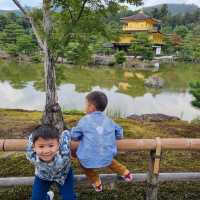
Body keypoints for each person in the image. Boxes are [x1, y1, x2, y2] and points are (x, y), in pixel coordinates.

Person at [71, 91, 133, 192]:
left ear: (91, 107)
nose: (85, 106)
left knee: (82, 162)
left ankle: (96, 181)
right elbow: (119, 133)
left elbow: (74, 136)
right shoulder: (109, 120)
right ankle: (125, 172)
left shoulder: (84, 120)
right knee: (107, 156)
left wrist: (72, 131)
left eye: (85, 104)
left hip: (88, 159)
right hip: (106, 157)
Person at [26, 125, 76, 200]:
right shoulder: (31, 155)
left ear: (58, 145)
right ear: (34, 147)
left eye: (51, 145)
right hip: (43, 176)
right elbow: (31, 140)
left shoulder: (64, 154)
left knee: (69, 198)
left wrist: (68, 132)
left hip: (63, 175)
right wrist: (35, 134)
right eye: (41, 146)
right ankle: (48, 197)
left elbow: (66, 134)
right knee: (36, 198)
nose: (46, 151)